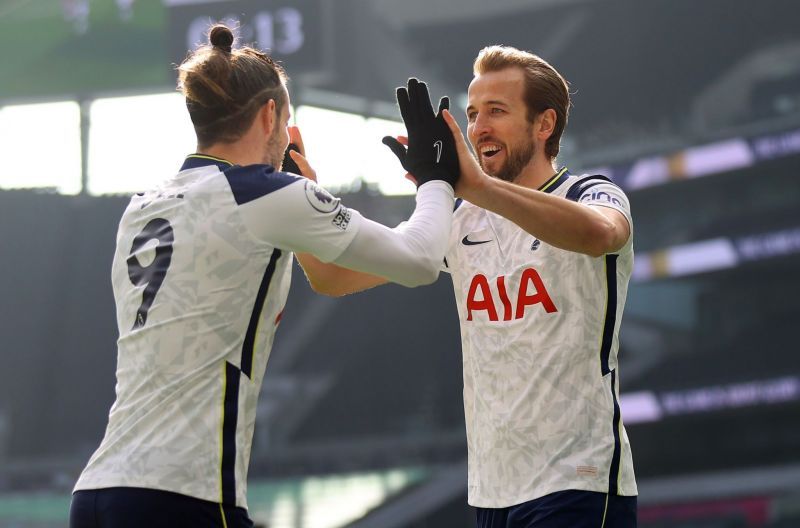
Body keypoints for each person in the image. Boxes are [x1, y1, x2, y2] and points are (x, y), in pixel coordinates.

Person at [68, 24, 459, 528]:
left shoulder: (142, 206)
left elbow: (330, 278)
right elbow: (420, 259)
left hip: (99, 492)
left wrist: (306, 199)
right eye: (286, 119)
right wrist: (435, 180)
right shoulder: (263, 193)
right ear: (270, 114)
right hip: (182, 497)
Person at [297, 45, 638, 527]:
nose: (479, 128)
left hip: (578, 480)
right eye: (473, 113)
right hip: (493, 491)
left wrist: (474, 186)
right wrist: (300, 212)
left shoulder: (590, 194)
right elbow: (332, 278)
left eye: (496, 111)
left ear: (545, 125)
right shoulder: (461, 219)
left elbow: (602, 234)